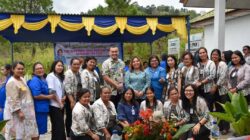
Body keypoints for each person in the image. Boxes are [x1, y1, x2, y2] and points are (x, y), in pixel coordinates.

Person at [4, 61, 39, 140]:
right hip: (17, 113)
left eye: (22, 69)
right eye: (18, 69)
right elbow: (12, 99)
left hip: (27, 111)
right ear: (13, 69)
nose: (20, 70)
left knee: (29, 132)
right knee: (18, 133)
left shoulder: (22, 79)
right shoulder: (11, 82)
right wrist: (19, 111)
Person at [28, 62, 57, 136]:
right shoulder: (35, 80)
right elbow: (36, 95)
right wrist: (49, 97)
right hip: (38, 109)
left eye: (41, 68)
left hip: (43, 108)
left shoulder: (42, 79)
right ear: (34, 71)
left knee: (40, 131)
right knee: (36, 131)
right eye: (37, 69)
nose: (40, 70)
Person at [210, 49, 230, 135]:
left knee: (224, 109)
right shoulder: (211, 64)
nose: (214, 56)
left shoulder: (222, 64)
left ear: (219, 56)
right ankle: (220, 127)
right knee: (217, 109)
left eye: (216, 55)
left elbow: (222, 77)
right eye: (213, 55)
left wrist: (215, 86)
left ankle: (226, 128)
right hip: (215, 91)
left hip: (223, 90)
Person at [46, 60, 66, 140]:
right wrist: (59, 103)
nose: (60, 67)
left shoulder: (61, 77)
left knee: (60, 127)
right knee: (58, 127)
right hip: (54, 105)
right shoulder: (51, 76)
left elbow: (62, 89)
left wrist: (64, 97)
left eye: (61, 66)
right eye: (58, 65)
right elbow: (52, 91)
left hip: (60, 105)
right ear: (54, 66)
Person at [64, 57, 82, 138]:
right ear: (71, 65)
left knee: (77, 115)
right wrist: (72, 101)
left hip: (78, 98)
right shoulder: (68, 73)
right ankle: (69, 134)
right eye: (74, 64)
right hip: (70, 98)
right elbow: (67, 88)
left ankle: (76, 132)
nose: (76, 66)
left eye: (78, 64)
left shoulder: (79, 73)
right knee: (70, 116)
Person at [196, 47, 216, 111]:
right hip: (199, 89)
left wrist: (201, 82)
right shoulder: (197, 64)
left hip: (209, 89)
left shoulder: (211, 63)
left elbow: (212, 75)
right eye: (200, 53)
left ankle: (209, 120)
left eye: (203, 52)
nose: (202, 54)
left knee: (209, 107)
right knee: (201, 107)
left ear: (206, 53)